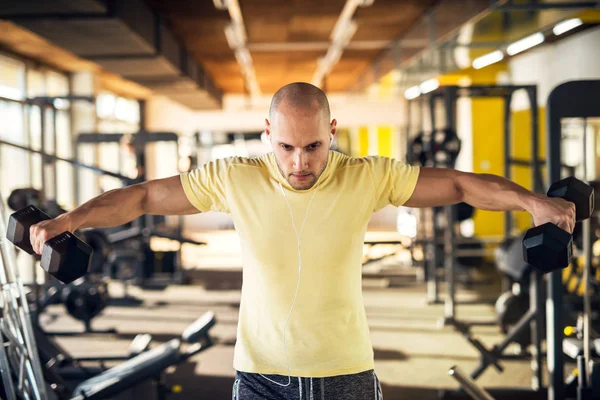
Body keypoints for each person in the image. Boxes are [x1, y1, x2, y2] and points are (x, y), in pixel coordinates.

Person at [29, 82, 575, 400]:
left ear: (332, 131)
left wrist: (533, 202)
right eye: (286, 147)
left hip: (347, 375)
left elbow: (457, 184)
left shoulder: (367, 175)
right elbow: (145, 197)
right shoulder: (233, 176)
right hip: (259, 377)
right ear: (267, 135)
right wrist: (68, 221)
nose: (299, 163)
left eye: (313, 146)